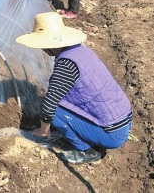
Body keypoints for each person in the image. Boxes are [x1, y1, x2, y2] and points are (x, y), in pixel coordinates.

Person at [16, 12, 132, 164]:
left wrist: (44, 131)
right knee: (58, 104)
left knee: (54, 112)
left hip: (112, 133)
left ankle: (88, 151)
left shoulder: (66, 65)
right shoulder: (79, 51)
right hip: (123, 119)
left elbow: (49, 107)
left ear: (48, 44)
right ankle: (91, 134)